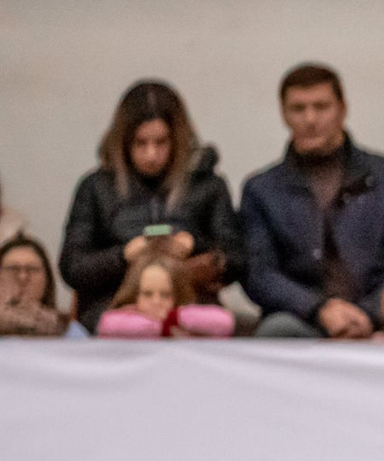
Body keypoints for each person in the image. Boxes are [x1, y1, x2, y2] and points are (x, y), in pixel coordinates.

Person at [239, 63, 384, 339]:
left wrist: (372, 312)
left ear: (342, 108)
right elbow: (258, 273)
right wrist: (319, 309)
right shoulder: (261, 189)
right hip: (302, 320)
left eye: (321, 107)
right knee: (276, 331)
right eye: (298, 109)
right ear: (283, 114)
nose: (310, 119)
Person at [58, 80, 246, 332]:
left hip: (190, 307)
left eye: (161, 143)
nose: (151, 155)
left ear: (177, 140)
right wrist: (124, 256)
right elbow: (72, 267)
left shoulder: (207, 185)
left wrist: (195, 248)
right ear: (123, 142)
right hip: (113, 309)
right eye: (140, 143)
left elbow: (238, 259)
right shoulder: (96, 187)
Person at [94, 254, 234, 338]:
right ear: (134, 295)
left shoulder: (185, 319)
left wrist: (174, 318)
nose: (156, 301)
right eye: (147, 294)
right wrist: (162, 327)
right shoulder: (123, 319)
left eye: (166, 295)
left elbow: (225, 322)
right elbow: (108, 324)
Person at [0, 234, 75, 337]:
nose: (22, 277)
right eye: (12, 269)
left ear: (47, 278)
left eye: (32, 269)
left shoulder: (69, 331)